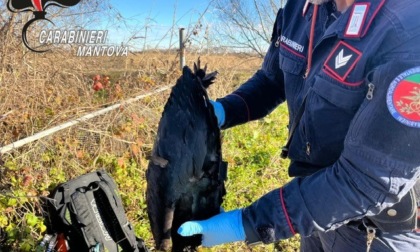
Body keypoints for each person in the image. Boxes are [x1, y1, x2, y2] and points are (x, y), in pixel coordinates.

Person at [177, 0, 420, 251]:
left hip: (375, 227)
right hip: (311, 204)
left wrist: (246, 223)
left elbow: (367, 180)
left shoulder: (409, 29)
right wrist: (221, 112)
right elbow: (273, 80)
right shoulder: (300, 9)